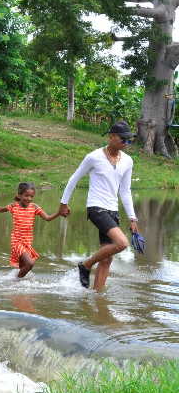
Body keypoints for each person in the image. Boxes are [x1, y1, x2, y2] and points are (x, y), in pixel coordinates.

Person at [59, 122, 140, 290]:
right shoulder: (94, 157)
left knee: (106, 259)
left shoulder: (128, 161)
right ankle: (86, 265)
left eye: (129, 140)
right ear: (111, 136)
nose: (126, 143)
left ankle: (97, 297)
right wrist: (63, 204)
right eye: (123, 139)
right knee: (122, 243)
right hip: (96, 207)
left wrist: (132, 218)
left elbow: (125, 191)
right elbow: (73, 179)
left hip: (113, 210)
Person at [0, 183, 61, 278]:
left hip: (27, 242)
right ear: (19, 195)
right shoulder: (14, 206)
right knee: (29, 264)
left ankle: (18, 287)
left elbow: (48, 218)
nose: (29, 198)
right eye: (26, 195)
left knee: (23, 266)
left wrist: (59, 212)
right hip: (17, 242)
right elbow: (1, 209)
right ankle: (16, 281)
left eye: (31, 196)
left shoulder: (34, 207)